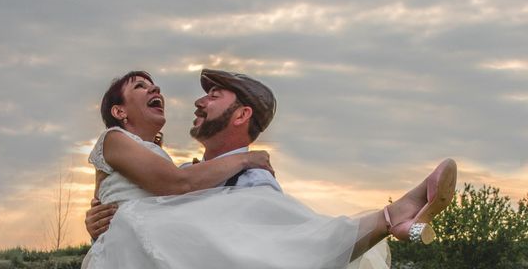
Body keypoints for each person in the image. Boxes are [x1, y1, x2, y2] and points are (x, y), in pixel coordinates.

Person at [82, 69, 457, 269]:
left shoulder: (253, 180)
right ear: (119, 111)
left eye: (213, 96)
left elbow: (290, 250)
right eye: (140, 85)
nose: (198, 101)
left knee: (295, 240)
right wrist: (96, 223)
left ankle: (393, 218)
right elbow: (167, 187)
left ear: (241, 115)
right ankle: (396, 219)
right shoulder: (186, 170)